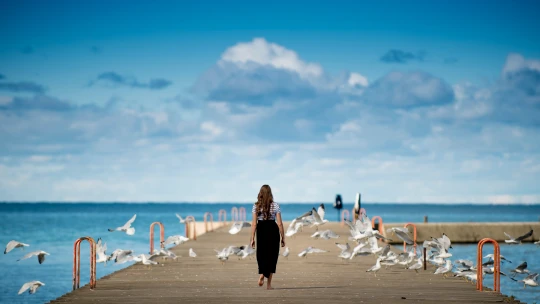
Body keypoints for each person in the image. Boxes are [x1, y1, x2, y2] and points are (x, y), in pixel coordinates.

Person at [250, 184, 285, 290]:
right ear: (270, 194)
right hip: (272, 230)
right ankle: (268, 285)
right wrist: (283, 237)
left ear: (260, 193)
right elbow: (279, 223)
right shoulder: (276, 205)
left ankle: (262, 274)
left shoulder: (256, 206)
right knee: (272, 256)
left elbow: (254, 224)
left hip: (261, 230)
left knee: (261, 255)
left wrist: (252, 238)